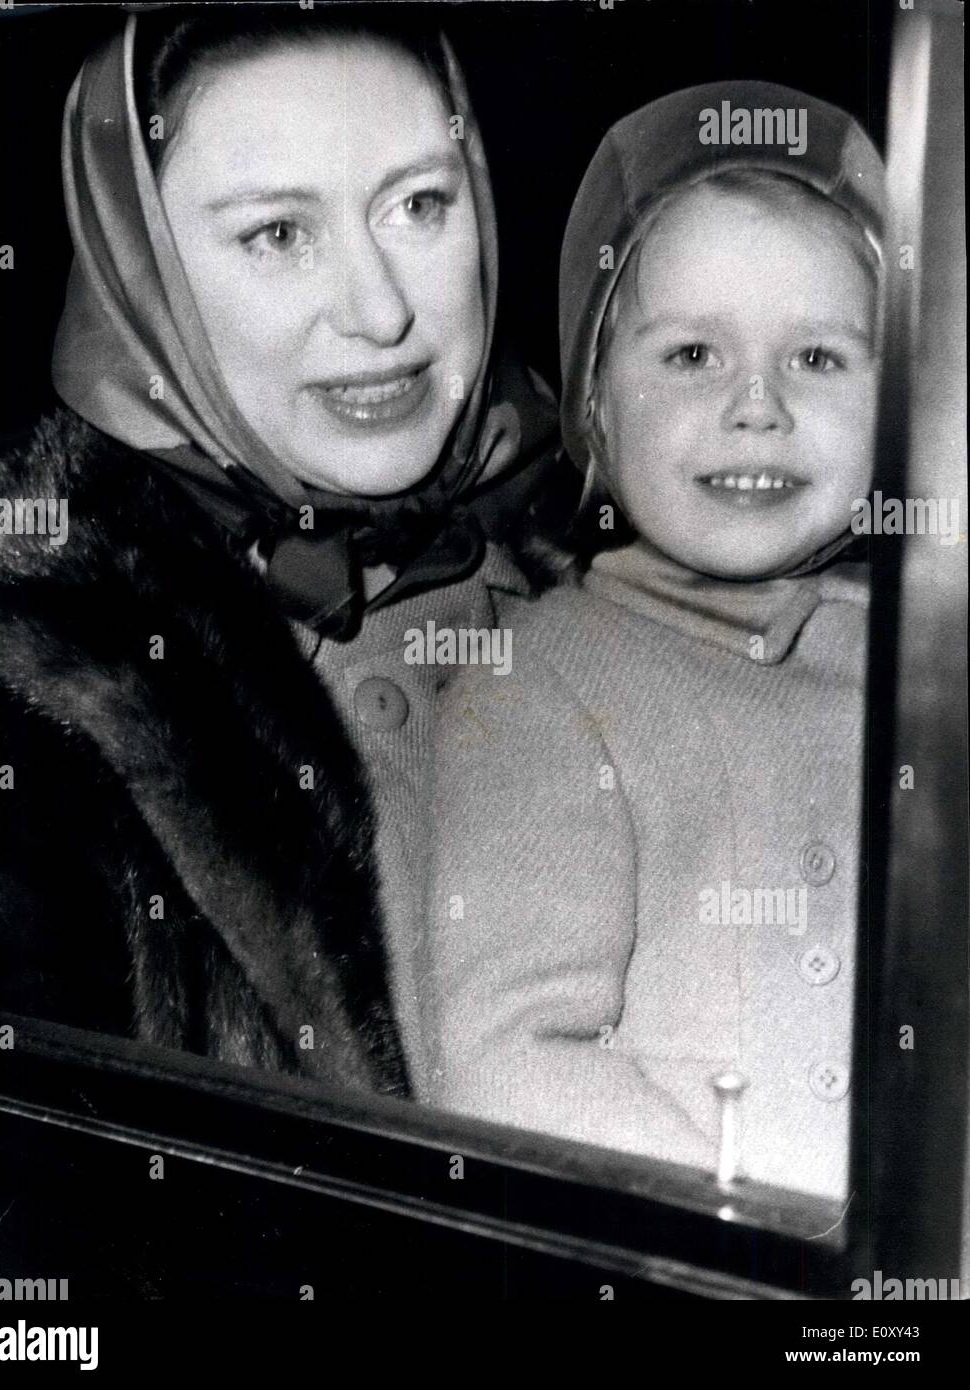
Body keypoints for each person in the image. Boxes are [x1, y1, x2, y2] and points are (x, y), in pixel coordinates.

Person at [0, 9, 570, 1098]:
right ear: (142, 274)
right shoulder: (14, 680)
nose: (381, 312)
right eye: (279, 234)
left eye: (422, 205)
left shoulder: (625, 533)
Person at [421, 81, 885, 1199]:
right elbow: (509, 1062)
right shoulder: (543, 683)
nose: (757, 407)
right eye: (690, 357)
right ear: (595, 405)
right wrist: (759, 1226)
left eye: (820, 358)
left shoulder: (928, 662)